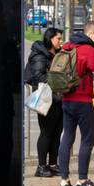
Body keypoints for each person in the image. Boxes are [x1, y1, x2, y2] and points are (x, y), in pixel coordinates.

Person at [57, 21, 94, 186]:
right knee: (88, 139)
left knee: (67, 137)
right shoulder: (88, 50)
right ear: (90, 34)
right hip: (82, 102)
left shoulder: (67, 46)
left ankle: (64, 180)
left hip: (66, 100)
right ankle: (82, 180)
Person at [25, 26, 64, 177]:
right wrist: (60, 80)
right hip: (47, 98)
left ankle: (53, 164)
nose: (60, 41)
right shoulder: (40, 55)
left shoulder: (58, 53)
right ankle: (41, 166)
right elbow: (39, 76)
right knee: (46, 133)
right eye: (58, 38)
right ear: (50, 38)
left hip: (59, 97)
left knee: (57, 132)